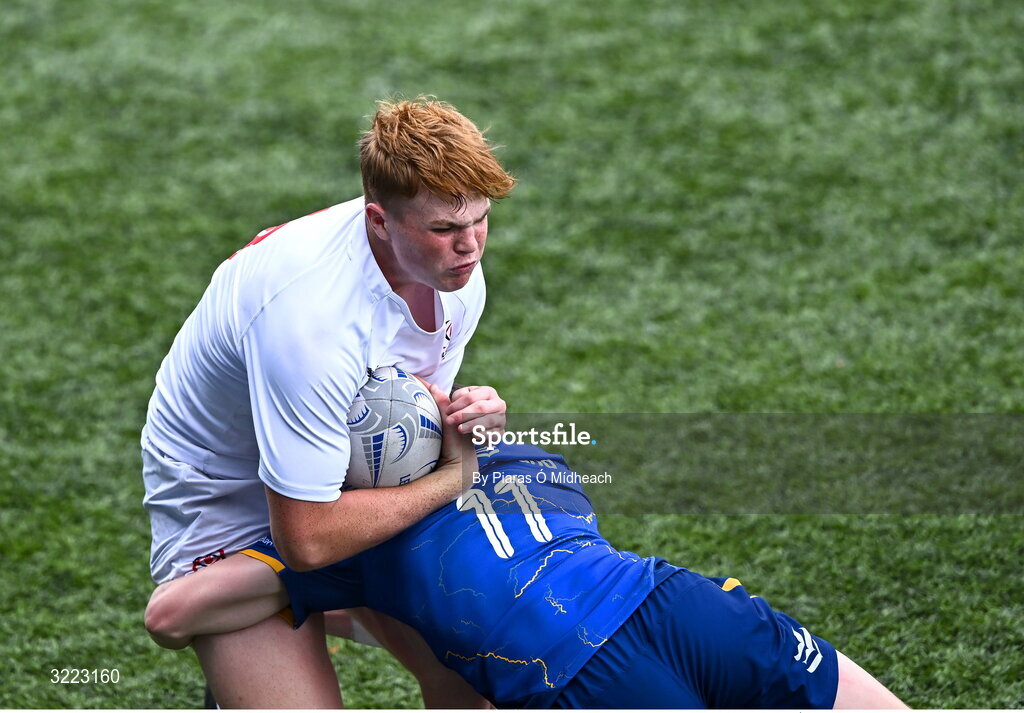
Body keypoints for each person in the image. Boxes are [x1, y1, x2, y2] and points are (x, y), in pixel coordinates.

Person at [141, 97, 514, 707]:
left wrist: (466, 423)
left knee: (483, 681)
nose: (470, 246)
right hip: (225, 497)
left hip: (341, 475)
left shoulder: (453, 273)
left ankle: (300, 602)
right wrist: (456, 479)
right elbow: (308, 541)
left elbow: (405, 422)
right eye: (445, 230)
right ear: (379, 222)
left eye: (480, 219)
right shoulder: (311, 322)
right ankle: (266, 610)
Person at [147, 437, 909, 709]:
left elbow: (171, 616)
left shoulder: (345, 545)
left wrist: (295, 572)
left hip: (585, 678)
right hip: (685, 606)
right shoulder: (533, 457)